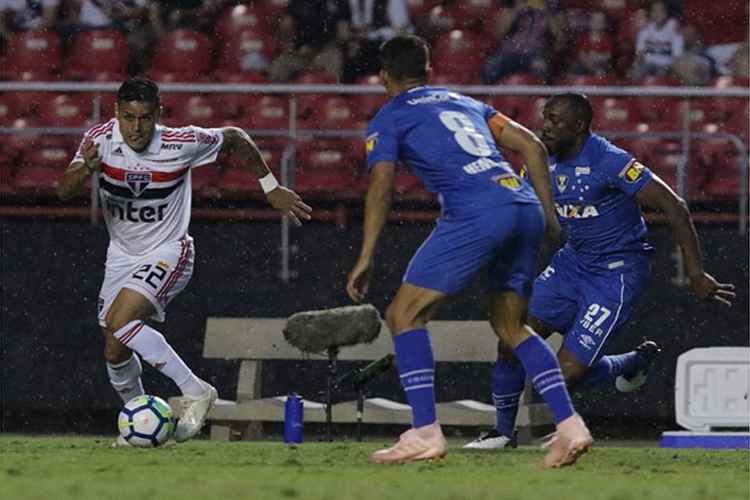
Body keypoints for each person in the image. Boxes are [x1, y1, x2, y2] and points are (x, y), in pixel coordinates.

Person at [346, 35, 592, 468]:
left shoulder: (389, 118)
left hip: (478, 210)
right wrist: (548, 216)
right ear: (428, 72)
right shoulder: (465, 102)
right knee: (511, 326)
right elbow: (533, 146)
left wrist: (366, 255)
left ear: (383, 77)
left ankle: (425, 431)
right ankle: (570, 425)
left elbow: (382, 186)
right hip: (522, 205)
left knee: (403, 315)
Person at [464, 93, 736, 450]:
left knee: (561, 376)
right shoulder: (538, 160)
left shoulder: (609, 161)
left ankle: (630, 363)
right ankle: (502, 432)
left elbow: (675, 206)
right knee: (511, 340)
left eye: (555, 120)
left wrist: (696, 273)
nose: (545, 125)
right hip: (571, 264)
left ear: (579, 126)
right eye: (545, 117)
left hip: (616, 274)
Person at [57, 78, 312, 445]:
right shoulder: (99, 139)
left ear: (158, 114)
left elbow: (236, 136)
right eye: (128, 117)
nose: (136, 128)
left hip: (169, 250)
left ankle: (196, 391)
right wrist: (86, 169)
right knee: (114, 349)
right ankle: (139, 425)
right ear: (116, 113)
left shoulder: (181, 143)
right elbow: (62, 190)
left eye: (145, 118)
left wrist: (270, 186)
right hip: (121, 256)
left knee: (121, 322)